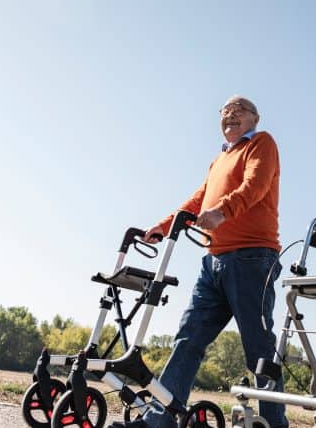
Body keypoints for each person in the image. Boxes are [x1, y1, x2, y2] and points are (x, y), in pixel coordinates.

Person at [117, 95, 288, 428]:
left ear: (255, 118)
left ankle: (273, 423)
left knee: (259, 348)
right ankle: (158, 422)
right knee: (188, 338)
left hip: (252, 258)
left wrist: (223, 211)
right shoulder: (219, 159)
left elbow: (256, 185)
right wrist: (163, 226)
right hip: (213, 262)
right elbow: (197, 201)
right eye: (224, 113)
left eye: (239, 111)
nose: (230, 116)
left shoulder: (262, 143)